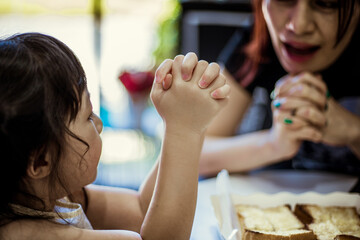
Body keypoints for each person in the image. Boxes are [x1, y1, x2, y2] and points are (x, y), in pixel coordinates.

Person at [0, 32, 230, 240]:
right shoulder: (23, 234)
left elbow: (142, 209)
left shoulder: (56, 196)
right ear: (41, 160)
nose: (99, 124)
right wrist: (184, 129)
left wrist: (188, 124)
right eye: (88, 116)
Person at [181, 0, 360, 177]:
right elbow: (193, 150)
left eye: (327, 3)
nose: (298, 26)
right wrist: (272, 144)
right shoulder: (258, 41)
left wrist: (352, 131)